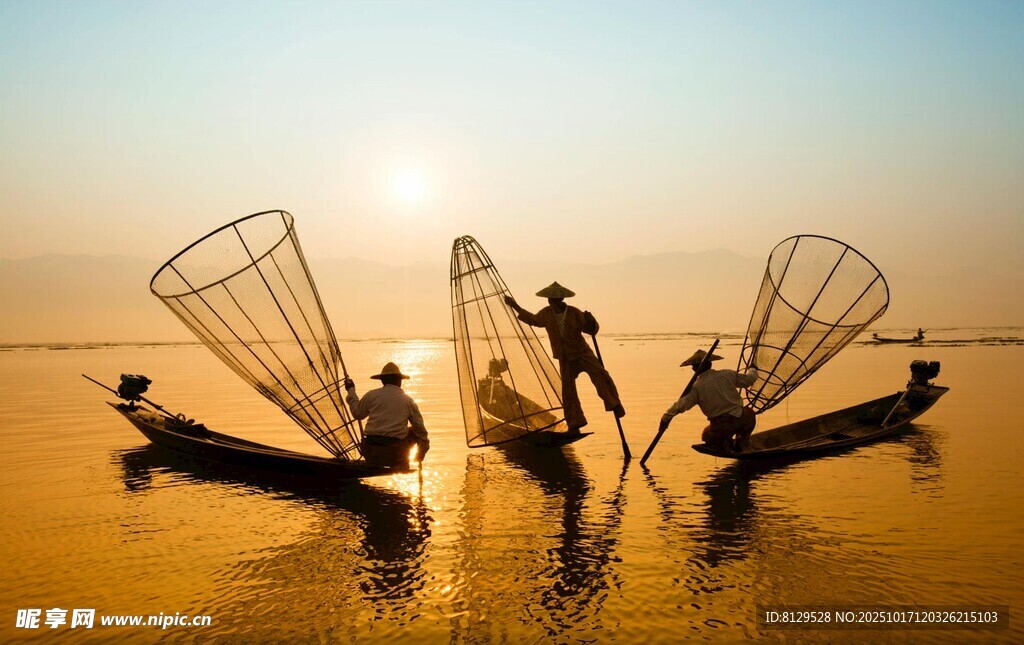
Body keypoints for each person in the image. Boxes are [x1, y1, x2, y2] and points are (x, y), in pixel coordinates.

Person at [504, 282, 624, 435]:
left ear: (560, 300)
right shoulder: (546, 313)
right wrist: (515, 305)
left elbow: (592, 330)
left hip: (582, 352)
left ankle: (615, 404)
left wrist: (591, 320)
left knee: (601, 375)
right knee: (568, 391)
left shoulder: (574, 313)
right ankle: (575, 423)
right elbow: (533, 320)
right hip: (564, 357)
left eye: (554, 300)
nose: (552, 303)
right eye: (550, 300)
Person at [658, 349, 759, 452]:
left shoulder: (696, 387)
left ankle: (735, 442)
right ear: (710, 364)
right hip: (740, 419)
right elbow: (749, 380)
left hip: (720, 426)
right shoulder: (727, 374)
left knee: (706, 435)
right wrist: (753, 369)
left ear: (694, 369)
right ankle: (742, 442)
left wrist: (664, 421)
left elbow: (678, 407)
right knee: (750, 413)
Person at [344, 362, 429, 467]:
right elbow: (421, 431)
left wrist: (351, 390)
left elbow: (357, 413)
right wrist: (422, 449)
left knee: (414, 432)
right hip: (395, 455)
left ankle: (383, 460)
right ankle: (406, 461)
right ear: (399, 381)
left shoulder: (371, 395)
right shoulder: (408, 401)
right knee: (416, 431)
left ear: (383, 381)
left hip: (371, 452)